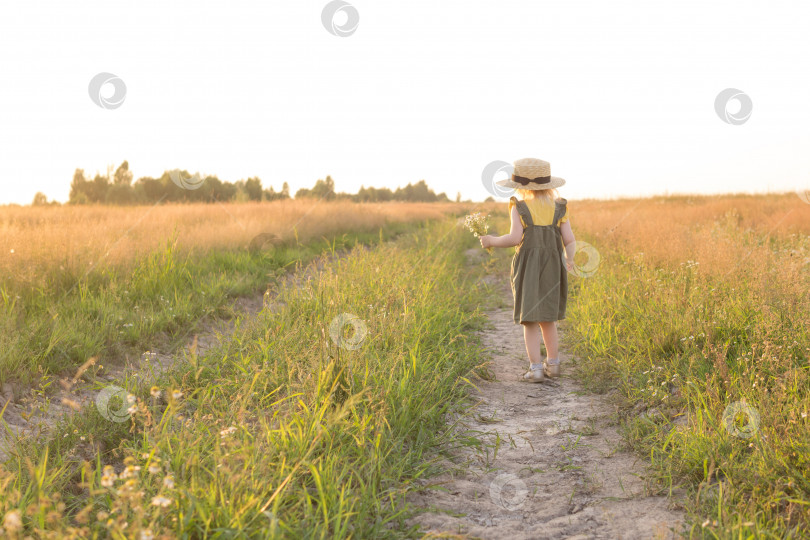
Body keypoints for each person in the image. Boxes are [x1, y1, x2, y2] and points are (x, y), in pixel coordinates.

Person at [479, 158, 576, 383]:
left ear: (521, 186)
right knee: (548, 318)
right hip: (553, 266)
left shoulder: (518, 206)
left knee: (530, 319)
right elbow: (569, 239)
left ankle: (535, 369)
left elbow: (514, 238)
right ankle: (553, 364)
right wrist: (569, 260)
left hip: (528, 267)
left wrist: (491, 240)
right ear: (548, 184)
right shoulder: (560, 206)